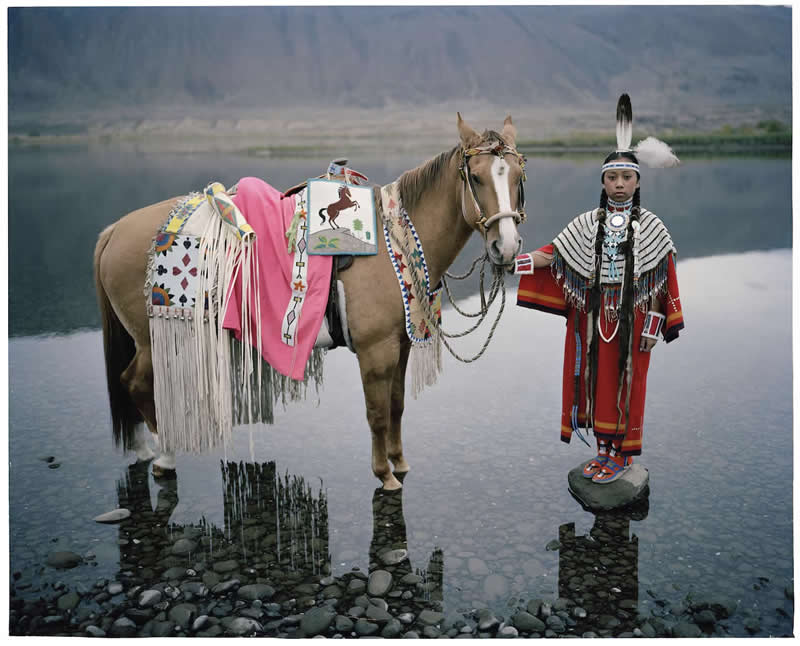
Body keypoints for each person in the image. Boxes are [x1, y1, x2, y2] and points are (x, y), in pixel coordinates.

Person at [514, 94, 684, 484]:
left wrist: (654, 326)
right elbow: (555, 254)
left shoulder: (653, 227)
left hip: (634, 321)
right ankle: (603, 452)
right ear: (603, 182)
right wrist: (516, 262)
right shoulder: (587, 222)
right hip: (592, 320)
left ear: (638, 181)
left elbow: (664, 280)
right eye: (612, 178)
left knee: (627, 382)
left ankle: (623, 456)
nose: (619, 185)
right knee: (592, 381)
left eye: (626, 178)